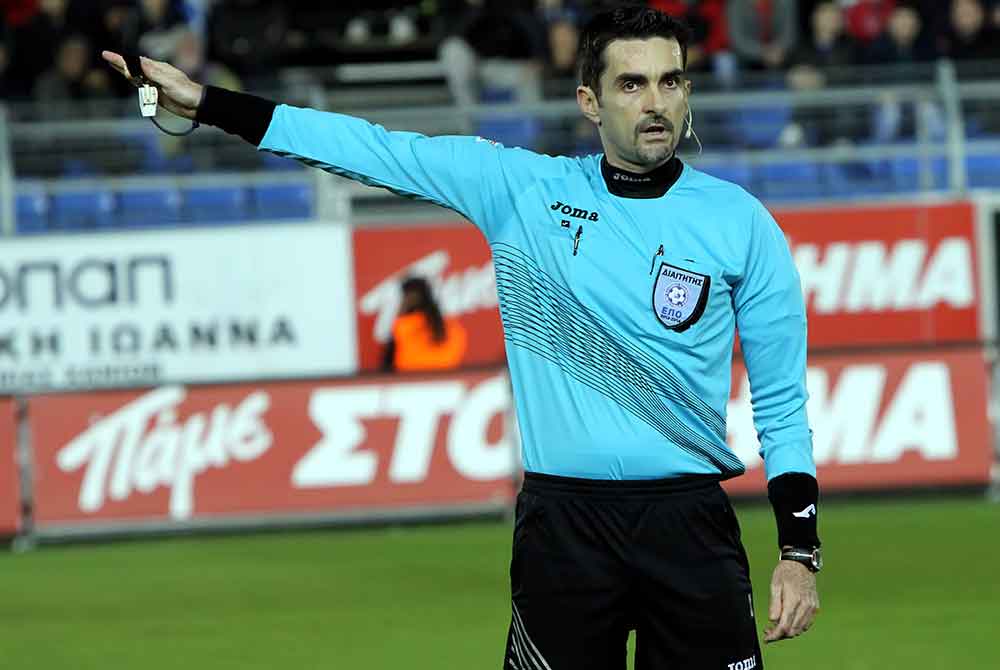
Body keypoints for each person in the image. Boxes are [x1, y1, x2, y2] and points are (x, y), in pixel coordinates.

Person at [103, 5, 821, 667]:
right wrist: (208, 103)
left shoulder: (742, 222)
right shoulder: (519, 189)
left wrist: (799, 552)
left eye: (670, 81)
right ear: (590, 101)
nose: (655, 101)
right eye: (631, 84)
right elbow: (368, 148)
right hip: (564, 531)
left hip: (690, 528)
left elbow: (782, 404)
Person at [381, 277, 469, 373]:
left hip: (410, 380)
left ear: (408, 299)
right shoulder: (454, 328)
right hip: (446, 381)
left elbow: (388, 366)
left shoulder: (404, 326)